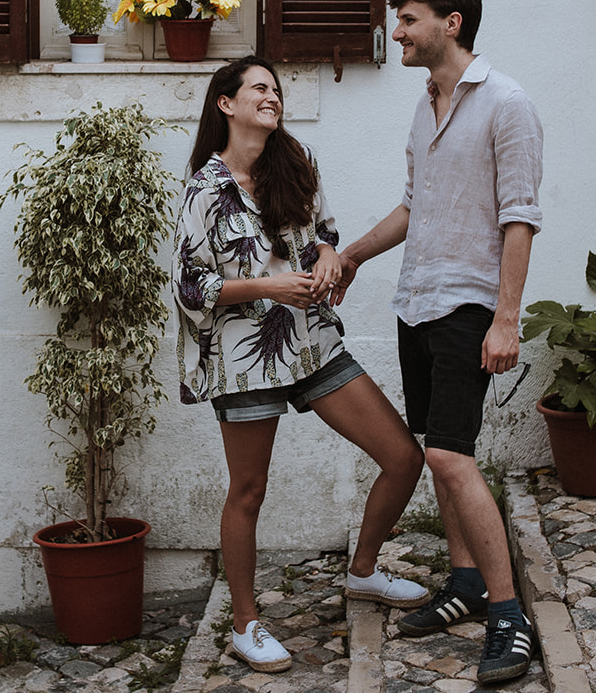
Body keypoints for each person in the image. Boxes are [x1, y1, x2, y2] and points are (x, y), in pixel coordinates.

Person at [175, 56, 430, 675]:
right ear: (226, 104)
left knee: (403, 457)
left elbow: (323, 235)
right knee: (249, 490)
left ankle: (363, 571)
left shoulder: (297, 160)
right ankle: (245, 623)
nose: (272, 96)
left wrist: (327, 257)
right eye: (258, 88)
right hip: (243, 356)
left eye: (276, 89)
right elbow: (189, 285)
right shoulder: (205, 189)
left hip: (312, 341)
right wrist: (268, 287)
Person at [333, 0, 544, 684]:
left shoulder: (506, 103)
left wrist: (506, 320)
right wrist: (354, 255)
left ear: (451, 23)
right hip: (417, 300)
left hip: (469, 307)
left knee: (452, 457)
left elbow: (520, 218)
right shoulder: (426, 104)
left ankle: (509, 615)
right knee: (436, 450)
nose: (396, 32)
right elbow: (413, 204)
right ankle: (466, 582)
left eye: (408, 19)